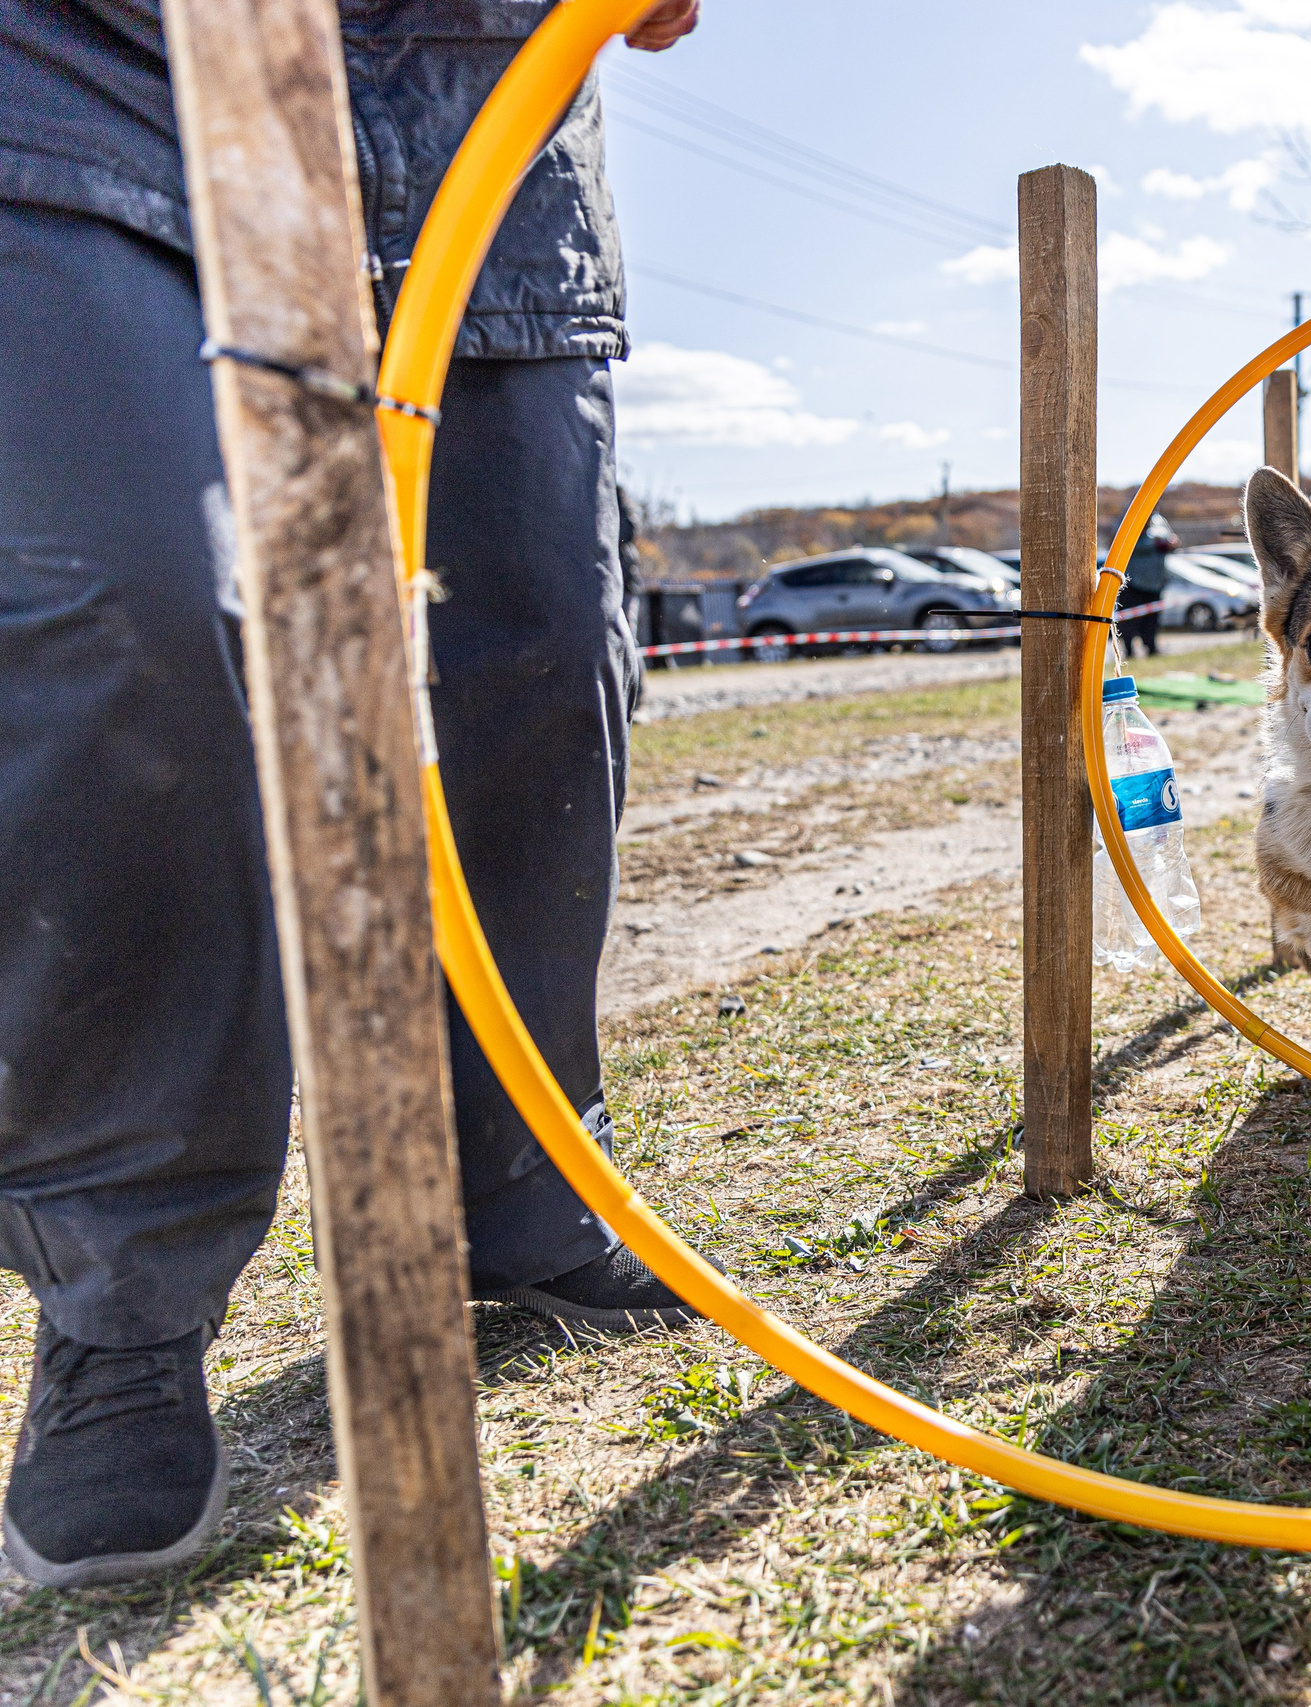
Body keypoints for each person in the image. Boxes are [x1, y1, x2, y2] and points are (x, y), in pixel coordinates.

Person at [0, 0, 701, 1589]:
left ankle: (525, 1178)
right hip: (97, 67)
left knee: (537, 637)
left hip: (481, 83)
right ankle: (122, 1291)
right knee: (132, 610)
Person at [1117, 511, 1179, 658]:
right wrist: (1155, 545)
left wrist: (1171, 544)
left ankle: (1151, 647)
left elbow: (1171, 540)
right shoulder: (1129, 520)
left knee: (1151, 621)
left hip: (1155, 584)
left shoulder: (1159, 521)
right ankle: (1129, 650)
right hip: (1134, 583)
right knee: (1129, 620)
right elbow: (1125, 544)